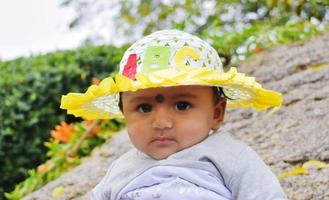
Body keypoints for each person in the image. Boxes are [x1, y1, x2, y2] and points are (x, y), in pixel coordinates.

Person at [61, 30, 287, 200]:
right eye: (144, 108)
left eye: (182, 106)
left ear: (217, 113)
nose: (161, 123)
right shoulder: (121, 169)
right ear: (125, 114)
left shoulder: (228, 155)